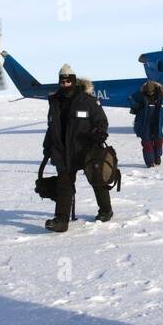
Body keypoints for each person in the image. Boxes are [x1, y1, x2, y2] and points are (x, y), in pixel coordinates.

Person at [43, 64, 112, 231]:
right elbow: (51, 127)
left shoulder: (87, 101)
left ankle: (106, 210)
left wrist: (99, 133)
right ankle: (61, 220)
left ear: (74, 81)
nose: (65, 84)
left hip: (86, 149)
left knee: (96, 178)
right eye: (62, 81)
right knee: (64, 184)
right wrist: (47, 147)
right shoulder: (55, 102)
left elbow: (101, 121)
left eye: (68, 81)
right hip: (62, 151)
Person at [129, 80, 163, 167]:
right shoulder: (140, 94)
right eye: (149, 92)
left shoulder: (162, 95)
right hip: (146, 122)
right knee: (147, 142)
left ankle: (156, 157)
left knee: (158, 140)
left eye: (152, 92)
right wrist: (138, 107)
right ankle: (151, 161)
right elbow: (131, 99)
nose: (151, 94)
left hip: (157, 121)